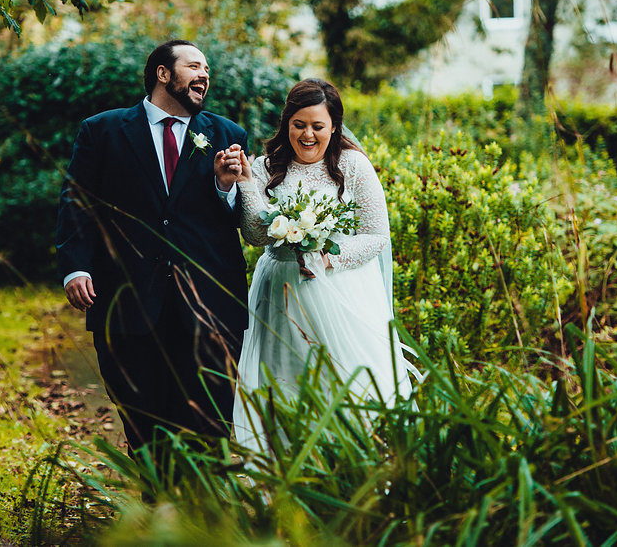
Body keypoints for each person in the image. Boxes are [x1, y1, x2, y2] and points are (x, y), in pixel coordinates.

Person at [55, 39, 249, 454]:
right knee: (142, 418)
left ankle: (200, 511)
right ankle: (156, 508)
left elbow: (239, 218)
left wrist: (225, 185)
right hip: (128, 301)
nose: (205, 76)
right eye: (194, 66)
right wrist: (76, 267)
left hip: (208, 305)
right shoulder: (102, 130)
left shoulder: (228, 135)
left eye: (208, 70)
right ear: (163, 73)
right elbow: (77, 201)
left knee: (208, 420)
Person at [231, 78, 418, 449]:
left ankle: (352, 466)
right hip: (278, 290)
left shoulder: (353, 165)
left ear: (334, 126)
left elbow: (377, 234)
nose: (308, 135)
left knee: (345, 381)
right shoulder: (266, 165)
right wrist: (247, 184)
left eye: (318, 126)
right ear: (287, 123)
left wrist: (328, 257)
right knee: (284, 380)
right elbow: (255, 235)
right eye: (299, 124)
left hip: (338, 287)